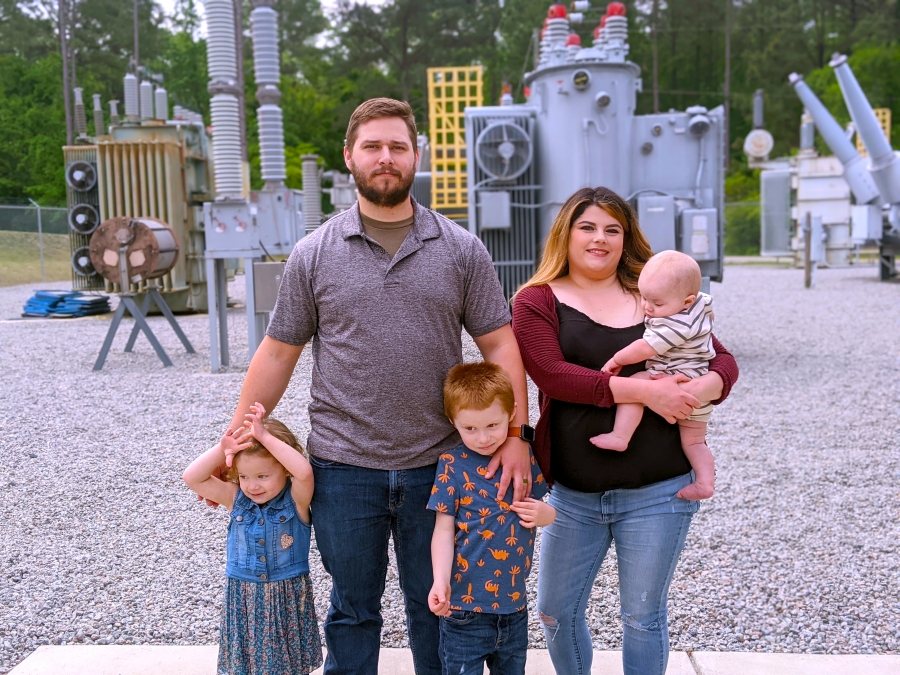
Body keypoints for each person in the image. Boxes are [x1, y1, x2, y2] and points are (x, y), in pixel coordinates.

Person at [220, 98, 533, 675]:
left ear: (417, 155)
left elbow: (500, 346)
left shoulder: (462, 250)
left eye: (397, 146)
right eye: (372, 146)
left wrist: (517, 435)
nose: (385, 157)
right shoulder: (314, 254)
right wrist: (237, 439)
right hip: (342, 468)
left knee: (437, 607)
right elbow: (278, 352)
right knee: (351, 611)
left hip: (438, 468)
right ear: (349, 157)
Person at [511, 186, 739, 675]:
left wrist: (701, 390)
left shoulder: (655, 294)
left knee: (642, 616)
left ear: (627, 237)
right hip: (572, 495)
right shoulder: (536, 301)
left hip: (659, 489)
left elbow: (721, 359)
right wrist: (645, 393)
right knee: (554, 611)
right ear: (565, 235)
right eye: (587, 227)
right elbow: (552, 375)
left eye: (612, 229)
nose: (600, 239)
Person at [427, 362, 556, 675]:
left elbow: (550, 510)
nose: (483, 438)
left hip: (514, 607)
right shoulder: (452, 465)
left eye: (492, 426)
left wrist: (545, 515)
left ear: (511, 414)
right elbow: (442, 530)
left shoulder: (523, 462)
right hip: (463, 610)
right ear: (452, 421)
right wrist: (440, 580)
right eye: (470, 428)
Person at [183, 403, 322, 675]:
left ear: (284, 469)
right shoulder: (237, 500)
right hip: (244, 596)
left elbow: (304, 471)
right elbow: (192, 477)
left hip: (284, 597)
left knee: (286, 667)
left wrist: (266, 437)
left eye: (262, 476)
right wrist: (224, 449)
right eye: (244, 476)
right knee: (246, 666)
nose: (252, 485)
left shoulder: (296, 500)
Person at [589, 249, 717, 500]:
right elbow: (708, 308)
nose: (647, 307)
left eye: (657, 303)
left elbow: (644, 348)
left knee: (635, 384)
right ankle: (705, 482)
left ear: (686, 301)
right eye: (644, 298)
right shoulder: (699, 303)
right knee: (694, 442)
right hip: (699, 387)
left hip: (679, 379)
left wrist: (616, 360)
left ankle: (620, 435)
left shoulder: (675, 323)